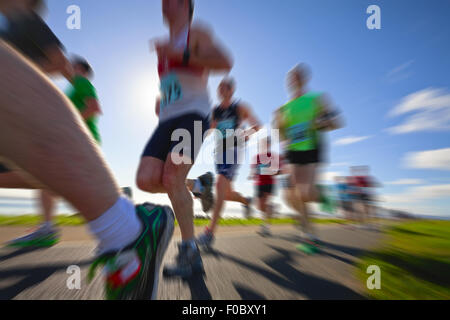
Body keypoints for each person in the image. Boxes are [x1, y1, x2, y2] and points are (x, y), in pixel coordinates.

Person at [0, 35, 174, 300]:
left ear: (79, 68)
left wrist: (67, 126)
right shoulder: (72, 87)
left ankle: (125, 228)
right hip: (70, 143)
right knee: (41, 178)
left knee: (43, 174)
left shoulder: (81, 82)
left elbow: (94, 108)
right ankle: (106, 224)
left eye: (72, 64)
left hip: (80, 142)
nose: (67, 67)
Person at [135, 0, 232, 279]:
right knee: (146, 178)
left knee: (171, 178)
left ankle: (190, 253)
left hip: (193, 116)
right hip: (167, 119)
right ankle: (197, 185)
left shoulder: (196, 32)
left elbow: (224, 61)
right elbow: (173, 82)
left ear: (185, 5)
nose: (164, 4)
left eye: (171, 0)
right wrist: (161, 98)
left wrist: (182, 54)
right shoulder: (164, 45)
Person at [275, 63, 341, 253]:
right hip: (294, 151)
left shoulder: (318, 98)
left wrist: (321, 121)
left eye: (296, 76)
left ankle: (323, 195)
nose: (292, 80)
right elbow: (282, 135)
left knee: (305, 192)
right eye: (290, 78)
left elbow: (336, 122)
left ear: (305, 78)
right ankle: (310, 237)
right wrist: (279, 125)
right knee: (298, 195)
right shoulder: (284, 107)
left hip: (312, 147)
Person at [196, 77, 261, 249]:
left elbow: (257, 125)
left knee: (219, 186)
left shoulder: (239, 108)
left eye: (224, 87)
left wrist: (245, 135)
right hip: (219, 152)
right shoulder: (215, 111)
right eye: (219, 88)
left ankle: (209, 232)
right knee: (225, 193)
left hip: (234, 150)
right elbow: (209, 130)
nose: (221, 90)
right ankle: (246, 201)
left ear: (232, 90)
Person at [249, 137, 280, 237]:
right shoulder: (256, 157)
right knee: (260, 206)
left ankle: (265, 227)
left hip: (269, 182)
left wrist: (267, 171)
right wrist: (252, 175)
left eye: (266, 144)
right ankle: (271, 209)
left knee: (265, 203)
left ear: (269, 145)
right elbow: (254, 170)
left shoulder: (273, 156)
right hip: (258, 183)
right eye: (262, 144)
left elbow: (276, 172)